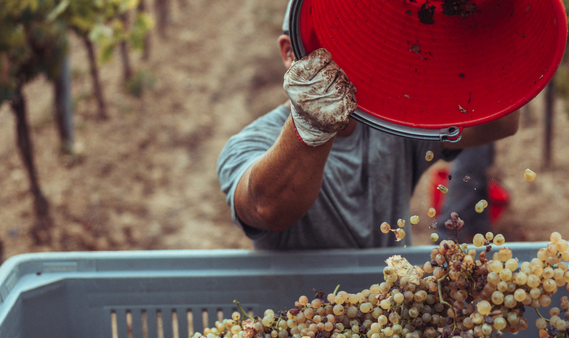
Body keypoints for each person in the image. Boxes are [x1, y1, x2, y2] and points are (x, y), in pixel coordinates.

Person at [216, 34, 519, 250]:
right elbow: (266, 207)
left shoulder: (395, 124)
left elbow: (500, 122)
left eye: (358, 40)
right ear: (289, 53)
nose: (346, 57)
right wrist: (312, 125)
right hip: (296, 315)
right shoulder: (249, 144)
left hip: (390, 312)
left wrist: (474, 33)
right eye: (329, 41)